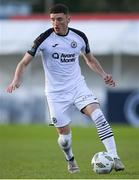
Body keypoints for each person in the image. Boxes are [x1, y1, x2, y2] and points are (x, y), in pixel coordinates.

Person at [7, 4, 125, 173]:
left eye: (59, 19)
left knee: (98, 115)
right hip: (56, 94)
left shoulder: (79, 37)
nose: (56, 23)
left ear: (68, 19)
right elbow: (24, 62)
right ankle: (71, 160)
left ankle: (114, 157)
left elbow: (90, 60)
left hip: (78, 87)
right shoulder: (43, 38)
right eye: (52, 19)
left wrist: (103, 74)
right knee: (64, 139)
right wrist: (16, 80)